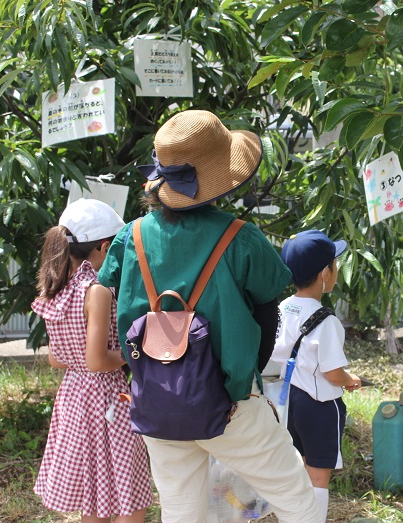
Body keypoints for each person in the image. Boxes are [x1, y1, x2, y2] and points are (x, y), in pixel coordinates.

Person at [97, 109, 321, 523]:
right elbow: (267, 314)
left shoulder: (132, 236)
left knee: (181, 511)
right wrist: (246, 382)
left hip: (158, 400)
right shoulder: (241, 237)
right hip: (230, 402)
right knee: (297, 499)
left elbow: (111, 297)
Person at [32, 198, 153, 523]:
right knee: (131, 494)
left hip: (74, 396)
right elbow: (97, 361)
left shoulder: (56, 289)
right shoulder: (96, 290)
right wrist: (134, 353)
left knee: (95, 495)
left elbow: (56, 359)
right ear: (104, 247)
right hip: (106, 397)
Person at [267, 230, 362, 523]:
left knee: (298, 468)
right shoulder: (327, 321)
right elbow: (332, 372)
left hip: (290, 402)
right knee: (319, 476)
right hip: (320, 406)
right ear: (325, 274)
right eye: (335, 264)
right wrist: (349, 379)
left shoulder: (283, 308)